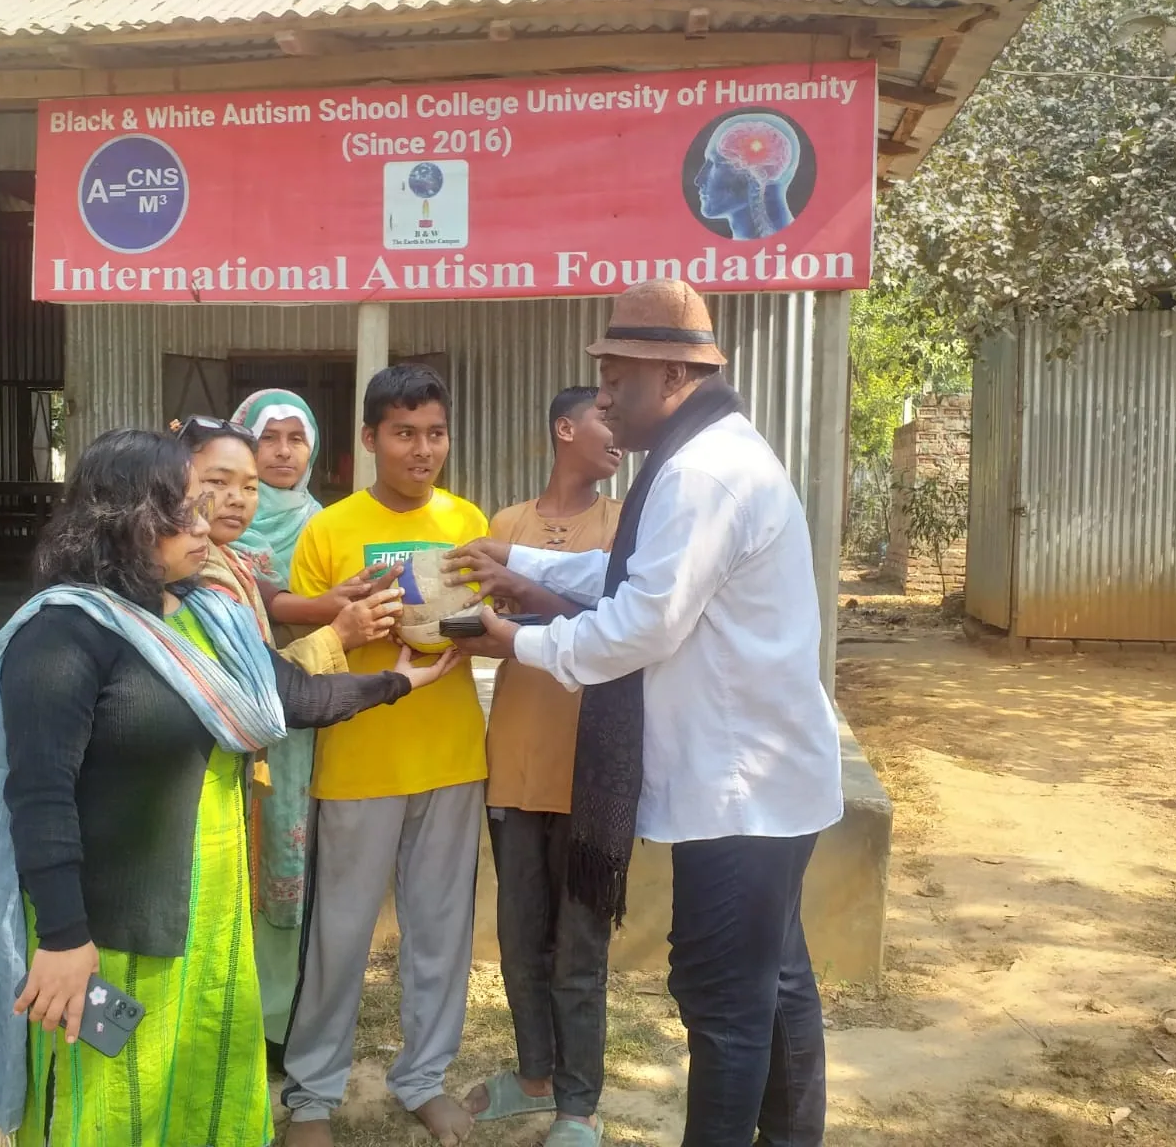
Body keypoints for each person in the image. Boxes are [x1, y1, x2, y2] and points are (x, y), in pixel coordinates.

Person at [0, 428, 459, 1147]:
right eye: (181, 510)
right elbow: (39, 797)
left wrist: (399, 681)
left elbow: (290, 696)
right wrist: (63, 940)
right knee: (110, 1096)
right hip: (113, 933)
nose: (204, 524)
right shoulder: (62, 636)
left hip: (209, 923)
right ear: (122, 520)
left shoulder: (203, 613)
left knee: (200, 1084)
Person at [455, 279, 844, 1147]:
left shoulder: (701, 474)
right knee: (772, 983)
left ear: (671, 376)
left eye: (615, 381)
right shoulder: (706, 456)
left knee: (724, 998)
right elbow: (640, 575)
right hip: (762, 782)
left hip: (742, 788)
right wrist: (521, 564)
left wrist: (513, 642)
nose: (603, 401)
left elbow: (639, 624)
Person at [279, 363, 489, 1147]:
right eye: (404, 433)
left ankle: (425, 1079)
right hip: (360, 758)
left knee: (440, 933)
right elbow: (305, 652)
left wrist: (450, 628)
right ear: (370, 439)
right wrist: (356, 620)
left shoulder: (466, 519)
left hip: (452, 756)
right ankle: (311, 1098)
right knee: (340, 935)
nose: (422, 449)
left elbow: (486, 623)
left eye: (434, 432)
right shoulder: (329, 530)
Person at [176, 401, 403, 1072]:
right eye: (219, 482)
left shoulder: (307, 530)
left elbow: (272, 600)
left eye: (291, 440)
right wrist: (340, 628)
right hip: (248, 729)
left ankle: (268, 1027)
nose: (241, 495)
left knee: (277, 875)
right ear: (181, 481)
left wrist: (336, 610)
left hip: (287, 735)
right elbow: (255, 678)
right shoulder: (186, 564)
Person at [444, 387, 622, 1147]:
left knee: (580, 949)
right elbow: (478, 631)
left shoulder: (626, 526)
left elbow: (624, 625)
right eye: (606, 417)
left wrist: (532, 600)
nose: (619, 433)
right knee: (521, 939)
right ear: (565, 427)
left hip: (593, 771)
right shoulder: (504, 526)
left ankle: (579, 1107)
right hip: (515, 761)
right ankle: (534, 1075)